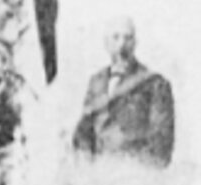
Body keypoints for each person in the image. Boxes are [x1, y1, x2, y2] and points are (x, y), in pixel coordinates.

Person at [73, 16, 174, 167]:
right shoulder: (96, 82)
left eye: (128, 38)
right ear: (106, 44)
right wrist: (86, 163)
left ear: (135, 43)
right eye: (116, 37)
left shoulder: (155, 84)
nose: (122, 45)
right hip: (98, 172)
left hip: (134, 171)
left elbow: (161, 144)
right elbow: (84, 131)